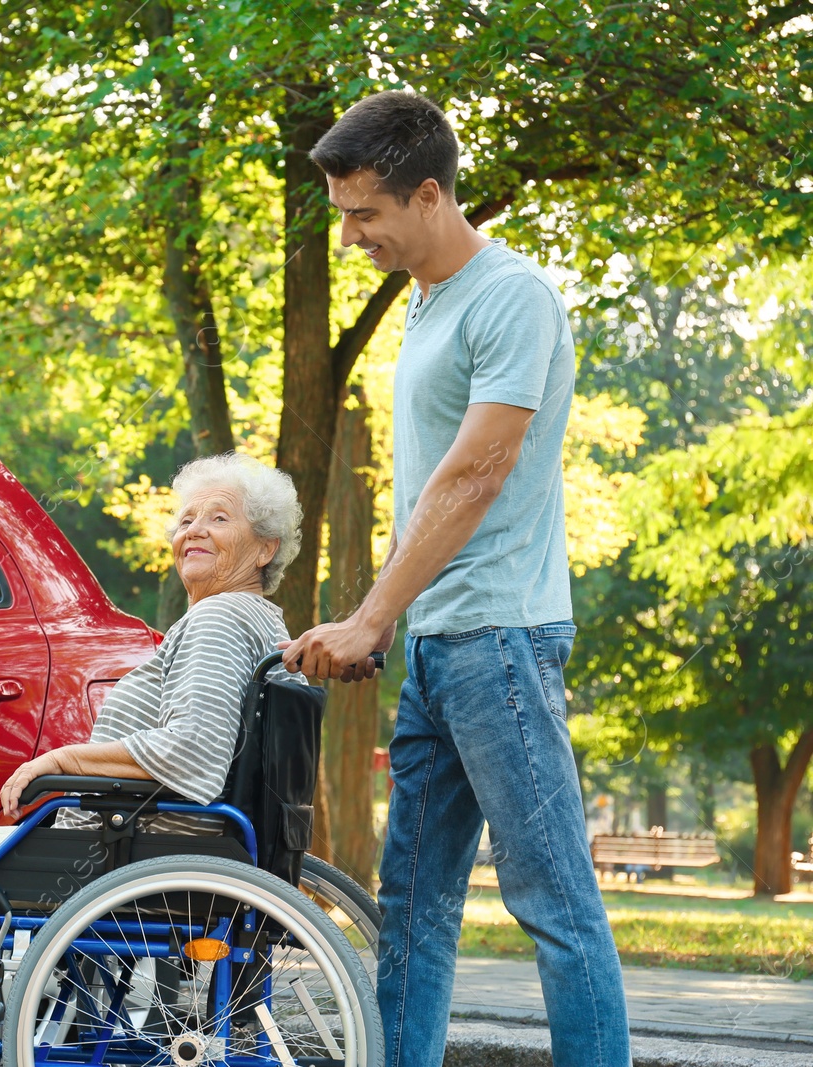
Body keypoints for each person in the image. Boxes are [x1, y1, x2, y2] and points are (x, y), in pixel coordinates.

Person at [278, 91, 631, 1067]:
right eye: (341, 213)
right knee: (413, 905)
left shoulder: (510, 294)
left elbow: (477, 475)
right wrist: (393, 623)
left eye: (365, 214)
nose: (349, 236)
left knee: (553, 901)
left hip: (500, 639)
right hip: (439, 640)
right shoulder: (429, 303)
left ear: (427, 194)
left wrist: (367, 613)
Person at [0, 452, 302, 1067]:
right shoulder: (254, 621)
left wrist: (64, 760)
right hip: (163, 843)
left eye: (219, 518)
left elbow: (192, 752)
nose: (193, 530)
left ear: (264, 549)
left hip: (139, 849)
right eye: (186, 518)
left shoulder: (222, 618)